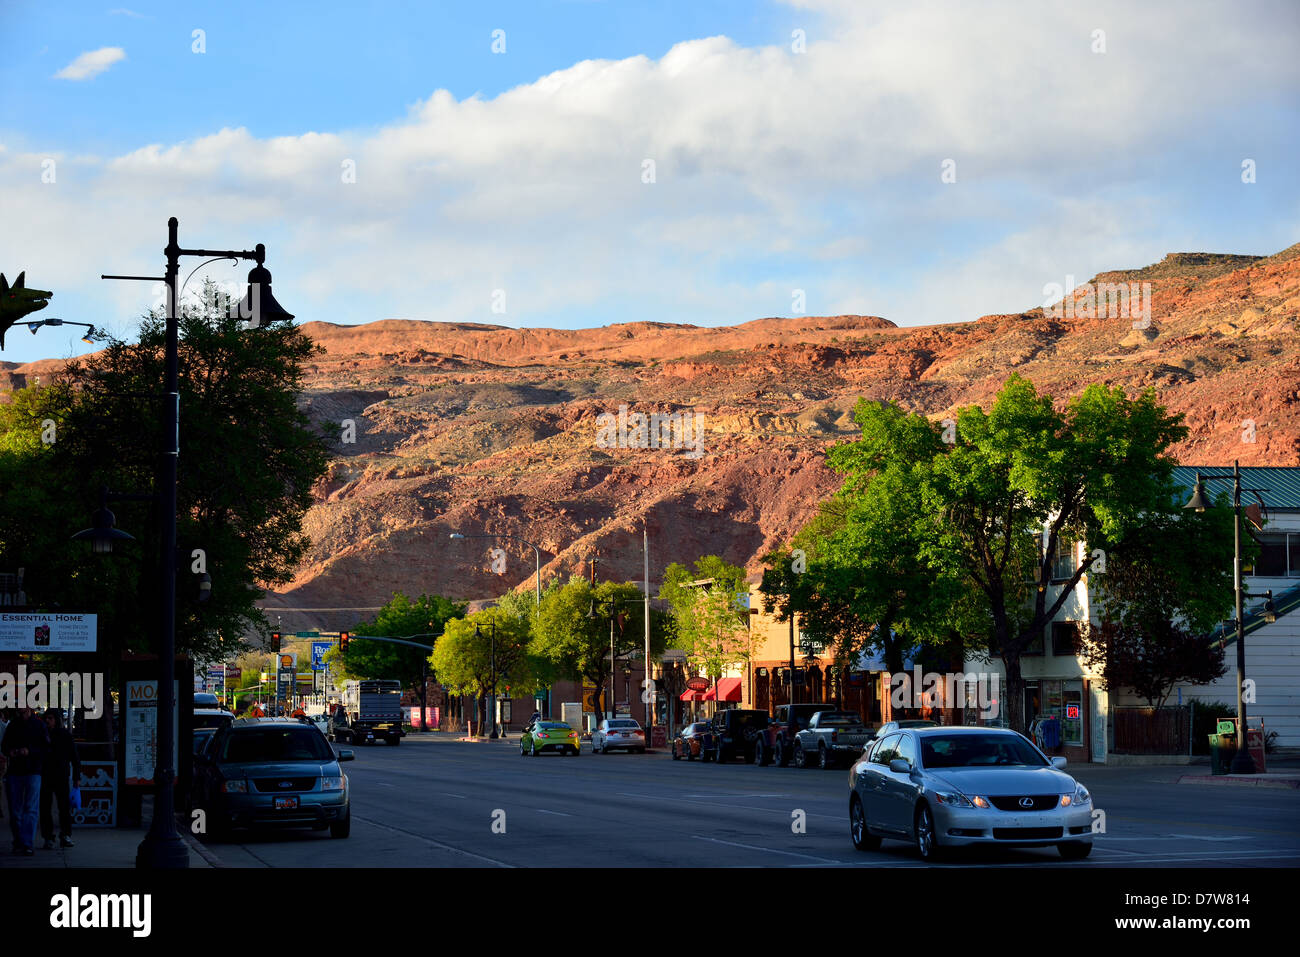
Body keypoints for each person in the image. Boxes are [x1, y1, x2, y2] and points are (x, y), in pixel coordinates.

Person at [1, 706, 48, 855]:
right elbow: (4, 746)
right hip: (16, 771)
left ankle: (26, 843)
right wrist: (11, 751)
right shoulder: (13, 725)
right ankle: (20, 841)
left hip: (33, 771)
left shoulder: (39, 725)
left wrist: (30, 751)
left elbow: (46, 748)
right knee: (16, 811)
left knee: (30, 808)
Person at [41, 709, 80, 849]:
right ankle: (48, 836)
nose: (47, 721)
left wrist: (76, 777)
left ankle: (65, 835)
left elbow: (75, 758)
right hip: (44, 776)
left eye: (50, 718)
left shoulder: (65, 736)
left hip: (61, 776)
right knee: (45, 808)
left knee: (63, 808)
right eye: (46, 718)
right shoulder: (42, 735)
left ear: (56, 720)